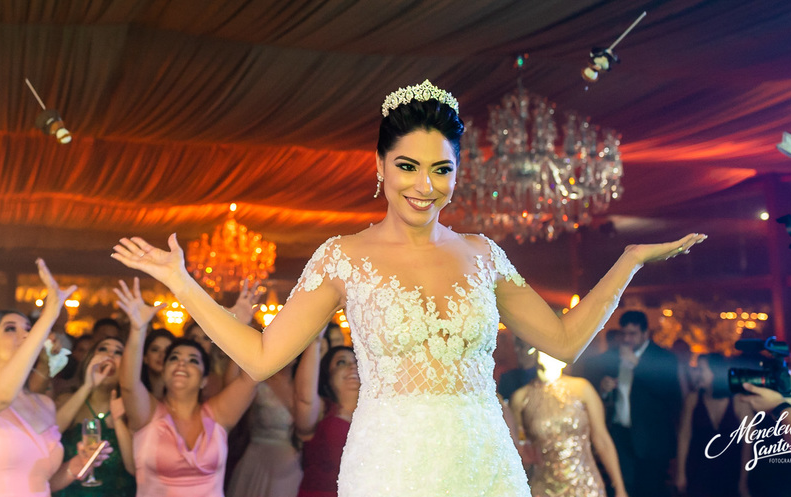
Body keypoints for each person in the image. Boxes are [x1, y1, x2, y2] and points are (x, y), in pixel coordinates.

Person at [112, 78, 706, 497]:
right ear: (378, 166)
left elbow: (565, 341)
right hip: (390, 466)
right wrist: (181, 282)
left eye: (441, 169)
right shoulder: (344, 257)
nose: (425, 184)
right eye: (408, 166)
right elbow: (261, 356)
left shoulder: (483, 255)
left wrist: (627, 262)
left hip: (486, 461)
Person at [0, 260, 104, 497]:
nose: (25, 334)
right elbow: (3, 396)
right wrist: (50, 313)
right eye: (10, 329)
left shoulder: (44, 404)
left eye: (27, 328)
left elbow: (43, 482)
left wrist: (77, 465)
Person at [115, 278, 258, 497]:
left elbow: (251, 379)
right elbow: (129, 384)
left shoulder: (218, 415)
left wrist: (238, 328)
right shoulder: (149, 415)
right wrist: (137, 330)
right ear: (164, 372)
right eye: (174, 358)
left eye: (193, 360)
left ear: (204, 379)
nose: (182, 363)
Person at [510, 350, 627, 497]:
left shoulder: (582, 389)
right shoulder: (521, 398)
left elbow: (602, 440)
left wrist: (620, 488)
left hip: (584, 486)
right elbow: (518, 448)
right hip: (543, 487)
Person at [606, 310, 683, 496]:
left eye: (632, 334)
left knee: (650, 490)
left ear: (645, 333)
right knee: (624, 489)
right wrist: (605, 388)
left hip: (651, 441)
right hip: (621, 435)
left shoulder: (664, 358)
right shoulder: (615, 355)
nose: (627, 338)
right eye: (624, 333)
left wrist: (637, 364)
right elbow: (612, 391)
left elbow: (671, 394)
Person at [54, 337, 137, 497]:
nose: (110, 355)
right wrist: (87, 386)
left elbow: (133, 467)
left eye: (118, 352)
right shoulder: (66, 400)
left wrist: (118, 421)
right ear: (90, 359)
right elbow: (51, 432)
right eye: (103, 349)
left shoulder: (132, 408)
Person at [225, 360, 301, 497]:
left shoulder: (304, 386)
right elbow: (230, 391)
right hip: (257, 460)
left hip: (290, 465)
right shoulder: (259, 384)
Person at [293, 338, 358, 497]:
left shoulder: (377, 410)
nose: (352, 366)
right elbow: (304, 398)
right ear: (328, 378)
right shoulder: (322, 410)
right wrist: (315, 340)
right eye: (341, 363)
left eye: (356, 361)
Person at [675, 353, 741, 497]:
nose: (696, 373)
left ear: (716, 372)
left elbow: (750, 443)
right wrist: (680, 473)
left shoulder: (738, 401)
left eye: (701, 369)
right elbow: (684, 436)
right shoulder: (693, 399)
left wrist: (744, 480)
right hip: (699, 470)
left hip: (730, 472)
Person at [141, 330, 175, 401]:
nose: (162, 355)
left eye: (167, 351)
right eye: (155, 350)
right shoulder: (134, 392)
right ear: (145, 357)